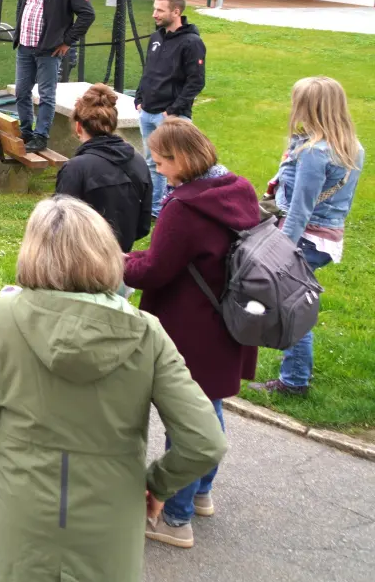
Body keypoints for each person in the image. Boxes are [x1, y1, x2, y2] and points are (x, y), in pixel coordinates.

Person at [0, 196, 229, 582]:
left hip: (18, 520)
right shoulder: (147, 333)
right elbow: (204, 441)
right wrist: (156, 485)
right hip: (109, 530)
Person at [124, 118, 259, 548]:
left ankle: (175, 518)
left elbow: (156, 269)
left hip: (191, 327)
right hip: (225, 321)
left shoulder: (184, 207)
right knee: (208, 409)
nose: (158, 169)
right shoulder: (235, 189)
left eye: (161, 162)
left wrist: (115, 260)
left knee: (185, 423)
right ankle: (201, 493)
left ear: (181, 160)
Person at [252, 76, 363, 396]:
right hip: (327, 237)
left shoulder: (315, 152)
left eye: (297, 102)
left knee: (291, 309)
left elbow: (300, 210)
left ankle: (294, 380)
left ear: (309, 107)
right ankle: (294, 364)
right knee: (294, 303)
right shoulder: (352, 146)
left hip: (304, 238)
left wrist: (281, 251)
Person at [12, 0, 95, 153]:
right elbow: (22, 5)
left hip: (49, 50)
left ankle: (41, 137)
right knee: (22, 92)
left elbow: (87, 14)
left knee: (46, 95)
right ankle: (26, 133)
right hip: (25, 46)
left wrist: (67, 41)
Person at [55, 83, 152, 252]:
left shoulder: (75, 169)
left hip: (81, 261)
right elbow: (143, 226)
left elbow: (59, 228)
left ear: (78, 126)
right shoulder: (138, 161)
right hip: (120, 258)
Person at [136, 0, 206, 214]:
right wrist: (139, 98)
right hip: (146, 112)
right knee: (153, 162)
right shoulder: (156, 38)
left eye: (160, 10)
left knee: (180, 164)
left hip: (170, 116)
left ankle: (184, 209)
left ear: (176, 12)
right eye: (154, 9)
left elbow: (196, 81)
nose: (154, 14)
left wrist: (173, 110)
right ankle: (156, 209)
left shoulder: (192, 42)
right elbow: (148, 71)